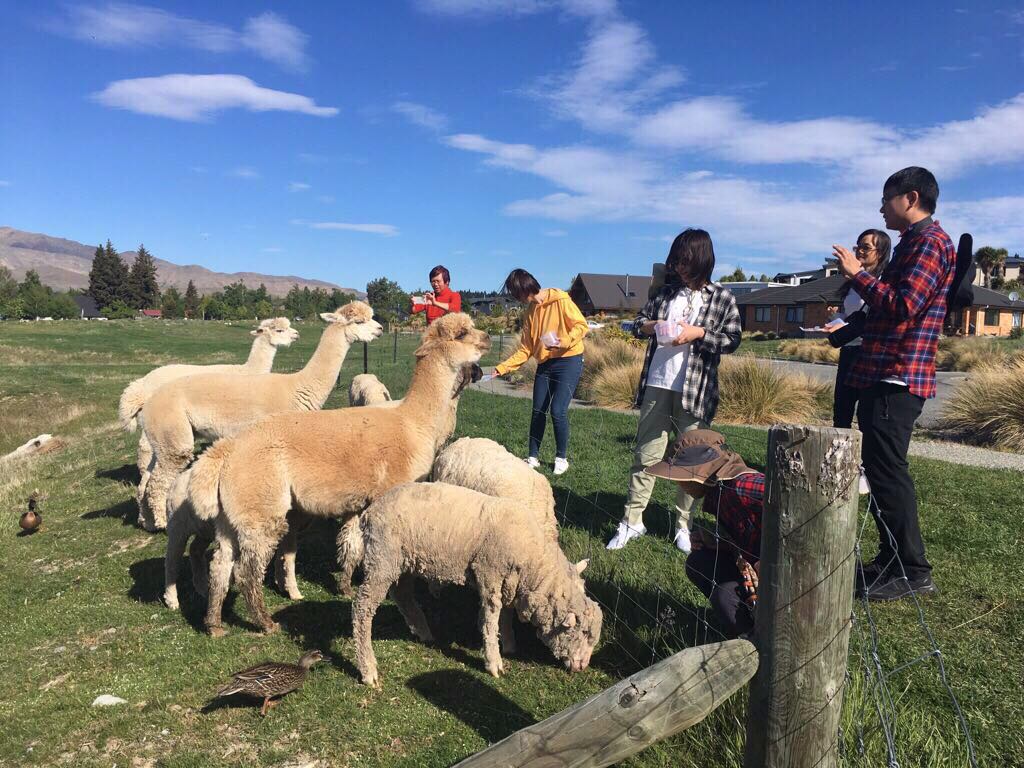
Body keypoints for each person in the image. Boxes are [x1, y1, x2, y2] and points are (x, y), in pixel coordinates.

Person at [833, 166, 955, 602]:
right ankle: (891, 558)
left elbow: (905, 305)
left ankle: (912, 569)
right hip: (883, 374)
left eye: (886, 199)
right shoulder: (913, 244)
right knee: (881, 471)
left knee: (888, 472)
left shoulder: (930, 244)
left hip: (898, 376)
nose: (882, 207)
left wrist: (857, 274)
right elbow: (888, 307)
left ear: (911, 198)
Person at [606, 228, 742, 554]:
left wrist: (698, 333)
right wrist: (652, 326)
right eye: (676, 261)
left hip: (695, 390)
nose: (679, 267)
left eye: (685, 261)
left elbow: (732, 339)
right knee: (646, 455)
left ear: (701, 260)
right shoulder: (666, 294)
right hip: (658, 382)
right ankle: (631, 521)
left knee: (693, 461)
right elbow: (637, 324)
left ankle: (684, 525)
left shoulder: (722, 298)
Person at [644, 429, 764, 638]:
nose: (679, 484)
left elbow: (797, 505)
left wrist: (774, 560)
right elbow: (749, 537)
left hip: (788, 573)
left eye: (682, 476)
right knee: (698, 562)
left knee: (723, 595)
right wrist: (721, 543)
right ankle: (752, 630)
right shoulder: (718, 493)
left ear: (699, 471)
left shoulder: (742, 486)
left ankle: (757, 645)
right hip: (756, 568)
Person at [492, 269, 588, 475]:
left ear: (525, 288)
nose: (517, 298)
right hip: (545, 363)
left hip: (569, 359)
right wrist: (502, 368)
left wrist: (565, 341)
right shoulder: (530, 311)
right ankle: (533, 457)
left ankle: (561, 458)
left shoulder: (561, 300)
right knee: (537, 411)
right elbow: (526, 348)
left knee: (558, 410)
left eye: (516, 293)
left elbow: (582, 326)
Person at [826, 229, 891, 428]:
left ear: (880, 253)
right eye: (858, 247)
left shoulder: (883, 282)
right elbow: (850, 316)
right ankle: (838, 457)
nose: (860, 252)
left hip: (869, 353)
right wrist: (834, 319)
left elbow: (874, 315)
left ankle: (864, 457)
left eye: (866, 247)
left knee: (866, 415)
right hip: (848, 349)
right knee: (842, 410)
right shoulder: (852, 283)